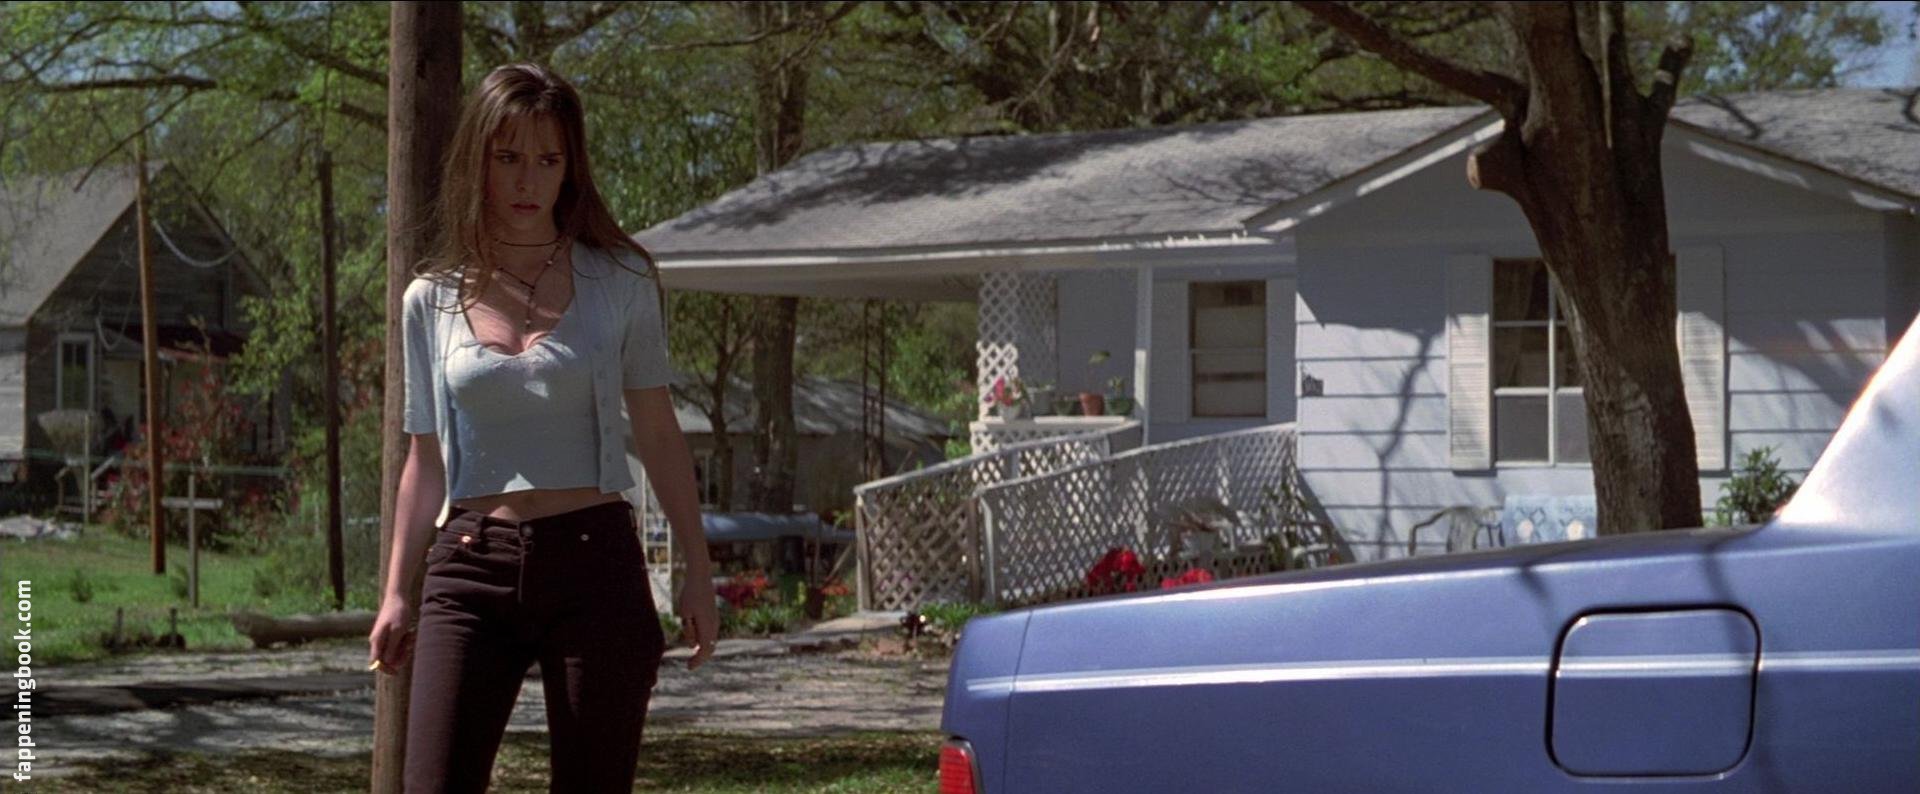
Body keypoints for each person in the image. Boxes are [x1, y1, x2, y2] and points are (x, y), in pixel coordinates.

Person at [366, 63, 719, 794]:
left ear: (571, 167)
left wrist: (697, 569)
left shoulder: (620, 280)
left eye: (548, 159)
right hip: (470, 564)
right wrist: (397, 590)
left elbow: (658, 433)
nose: (528, 180)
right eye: (508, 158)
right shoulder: (429, 298)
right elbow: (424, 458)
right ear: (478, 161)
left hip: (595, 563)